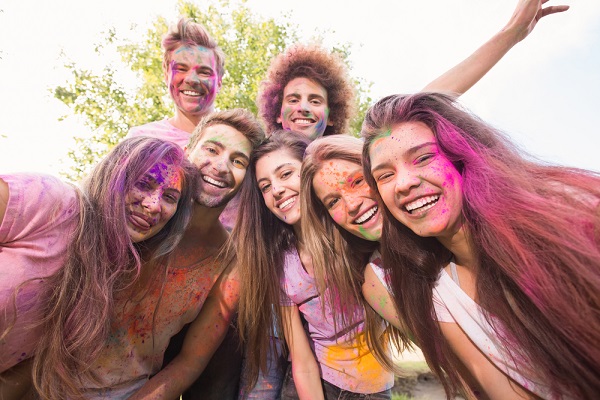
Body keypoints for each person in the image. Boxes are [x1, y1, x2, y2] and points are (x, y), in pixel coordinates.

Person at [360, 92, 600, 399]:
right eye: (385, 175)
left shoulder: (573, 215)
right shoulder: (440, 295)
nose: (404, 183)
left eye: (423, 157)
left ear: (463, 156)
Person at [0, 137, 196, 398]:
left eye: (170, 197)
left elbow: (26, 363)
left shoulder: (114, 275)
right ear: (114, 174)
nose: (153, 205)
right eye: (143, 184)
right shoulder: (49, 200)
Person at [234, 131, 396, 399]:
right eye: (265, 186)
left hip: (374, 387)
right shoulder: (281, 266)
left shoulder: (356, 234)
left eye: (285, 174)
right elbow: (302, 360)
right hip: (315, 384)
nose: (276, 189)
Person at [120, 108, 265, 400]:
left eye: (238, 161)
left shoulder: (230, 263)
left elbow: (190, 362)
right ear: (187, 151)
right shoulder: (141, 214)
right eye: (212, 149)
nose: (221, 166)